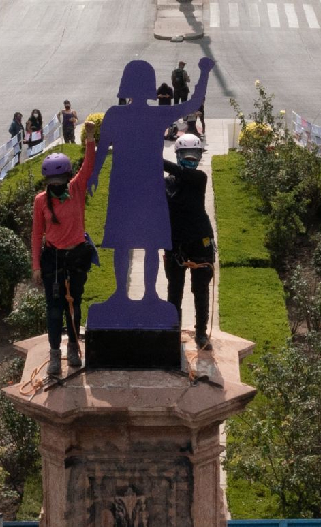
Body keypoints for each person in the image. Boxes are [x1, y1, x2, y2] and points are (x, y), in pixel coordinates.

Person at [87, 58, 214, 327]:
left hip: (125, 185)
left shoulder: (115, 113)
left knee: (129, 243)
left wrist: (94, 175)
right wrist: (203, 74)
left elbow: (102, 151)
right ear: (150, 86)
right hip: (147, 185)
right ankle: (145, 296)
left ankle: (131, 295)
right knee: (148, 244)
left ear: (125, 85)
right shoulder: (153, 114)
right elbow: (193, 104)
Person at [32, 122, 98, 376]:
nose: (58, 185)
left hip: (77, 256)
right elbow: (37, 234)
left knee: (74, 304)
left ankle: (72, 346)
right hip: (53, 259)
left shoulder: (76, 189)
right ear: (47, 180)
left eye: (61, 180)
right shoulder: (41, 201)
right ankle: (54, 354)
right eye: (53, 181)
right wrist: (36, 266)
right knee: (54, 307)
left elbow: (88, 167)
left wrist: (90, 138)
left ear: (68, 177)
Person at [164, 134, 215, 349]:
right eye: (186, 155)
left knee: (200, 289)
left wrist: (149, 155)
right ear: (177, 155)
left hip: (199, 241)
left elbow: (178, 171)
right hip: (175, 242)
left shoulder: (199, 178)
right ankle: (173, 330)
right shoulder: (166, 183)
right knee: (175, 288)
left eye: (194, 155)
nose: (190, 159)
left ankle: (201, 332)